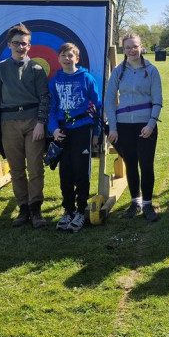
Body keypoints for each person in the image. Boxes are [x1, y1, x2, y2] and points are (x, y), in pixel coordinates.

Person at [0, 23, 50, 228]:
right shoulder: (1, 68)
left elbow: (44, 98)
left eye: (25, 44)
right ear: (9, 44)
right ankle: (23, 209)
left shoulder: (36, 69)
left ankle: (36, 209)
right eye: (17, 43)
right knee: (17, 170)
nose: (21, 47)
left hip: (32, 123)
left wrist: (40, 123)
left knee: (36, 168)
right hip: (8, 123)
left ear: (30, 45)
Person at [105, 32, 163, 222]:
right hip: (123, 126)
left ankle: (147, 204)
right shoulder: (118, 71)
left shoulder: (152, 70)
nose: (131, 50)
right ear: (123, 49)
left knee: (146, 165)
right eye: (128, 47)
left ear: (141, 47)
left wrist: (151, 124)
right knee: (131, 164)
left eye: (135, 46)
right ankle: (135, 201)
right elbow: (109, 100)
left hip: (145, 125)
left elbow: (157, 100)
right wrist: (112, 127)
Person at [48, 43, 101, 233]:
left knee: (81, 171)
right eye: (63, 55)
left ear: (77, 58)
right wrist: (54, 130)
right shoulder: (54, 81)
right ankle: (68, 210)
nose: (66, 58)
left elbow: (97, 107)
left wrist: (96, 132)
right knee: (66, 172)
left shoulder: (86, 78)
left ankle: (80, 210)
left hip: (82, 129)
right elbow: (52, 110)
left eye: (70, 55)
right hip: (63, 131)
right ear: (58, 58)